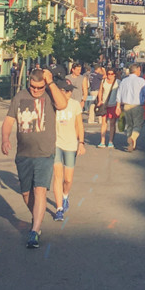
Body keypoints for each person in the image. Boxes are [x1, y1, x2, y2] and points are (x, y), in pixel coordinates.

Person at [2, 67, 69, 249]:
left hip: (45, 153)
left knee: (40, 190)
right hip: (24, 153)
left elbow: (63, 105)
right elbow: (9, 120)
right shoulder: (20, 97)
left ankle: (35, 230)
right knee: (26, 193)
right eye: (33, 87)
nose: (36, 90)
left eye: (40, 87)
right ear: (28, 82)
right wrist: (5, 139)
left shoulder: (50, 94)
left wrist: (50, 83)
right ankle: (36, 217)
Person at [51, 73, 85, 222]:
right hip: (56, 144)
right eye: (67, 90)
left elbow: (79, 125)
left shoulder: (75, 105)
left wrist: (81, 143)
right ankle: (59, 208)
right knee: (58, 176)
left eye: (71, 90)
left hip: (71, 144)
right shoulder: (52, 105)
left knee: (68, 179)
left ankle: (65, 196)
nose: (70, 93)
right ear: (60, 91)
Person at [115, 64, 145, 152]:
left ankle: (131, 144)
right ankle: (133, 137)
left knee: (129, 125)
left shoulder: (124, 81)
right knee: (138, 124)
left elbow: (119, 94)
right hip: (137, 105)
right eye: (139, 70)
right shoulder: (141, 81)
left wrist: (118, 106)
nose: (140, 71)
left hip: (126, 105)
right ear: (136, 70)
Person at [97, 68, 120, 148]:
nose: (109, 76)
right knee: (104, 123)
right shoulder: (103, 81)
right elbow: (100, 91)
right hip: (104, 105)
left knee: (112, 123)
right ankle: (102, 141)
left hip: (113, 104)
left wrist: (118, 106)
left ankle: (110, 141)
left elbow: (120, 94)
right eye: (108, 74)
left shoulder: (118, 82)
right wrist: (99, 100)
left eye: (111, 74)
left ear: (114, 74)